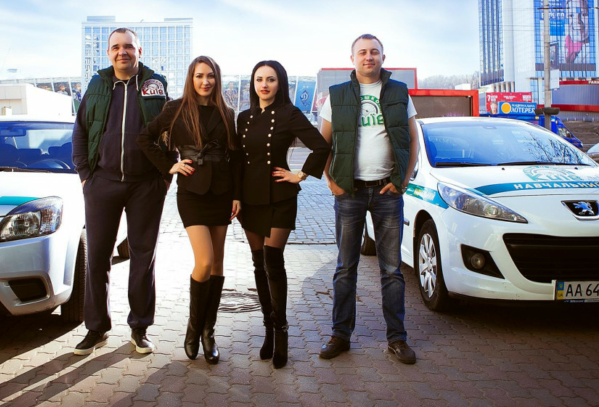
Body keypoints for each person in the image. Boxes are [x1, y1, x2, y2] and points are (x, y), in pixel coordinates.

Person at [318, 34, 420, 365]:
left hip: (387, 191)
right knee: (345, 267)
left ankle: (397, 339)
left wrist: (404, 179)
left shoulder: (399, 92)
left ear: (382, 57)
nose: (368, 56)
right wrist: (330, 180)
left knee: (391, 270)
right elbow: (323, 143)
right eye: (362, 52)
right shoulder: (337, 95)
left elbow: (412, 138)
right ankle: (340, 335)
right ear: (353, 59)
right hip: (350, 192)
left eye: (374, 51)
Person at [71, 28, 174, 356]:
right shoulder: (97, 86)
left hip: (146, 185)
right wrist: (85, 177)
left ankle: (139, 328)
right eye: (116, 47)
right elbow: (80, 131)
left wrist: (165, 177)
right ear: (108, 52)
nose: (122, 52)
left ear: (139, 51)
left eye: (128, 46)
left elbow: (172, 132)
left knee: (143, 257)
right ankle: (96, 328)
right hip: (102, 183)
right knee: (98, 256)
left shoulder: (155, 86)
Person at [138, 56, 241, 364]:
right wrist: (169, 165)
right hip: (192, 192)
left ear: (217, 79)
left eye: (210, 76)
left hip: (221, 192)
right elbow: (144, 138)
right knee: (204, 261)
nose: (205, 81)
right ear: (191, 78)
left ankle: (209, 332)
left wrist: (237, 195)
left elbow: (235, 156)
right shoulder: (176, 108)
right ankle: (193, 327)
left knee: (218, 263)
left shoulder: (227, 112)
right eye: (199, 76)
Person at [236, 60, 330, 369]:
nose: (264, 85)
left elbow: (320, 147)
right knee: (258, 265)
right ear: (253, 84)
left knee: (272, 260)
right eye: (259, 79)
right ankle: (267, 329)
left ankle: (281, 330)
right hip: (250, 198)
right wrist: (235, 196)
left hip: (280, 197)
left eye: (271, 79)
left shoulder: (289, 113)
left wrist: (299, 174)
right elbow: (238, 160)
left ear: (280, 83)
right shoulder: (244, 118)